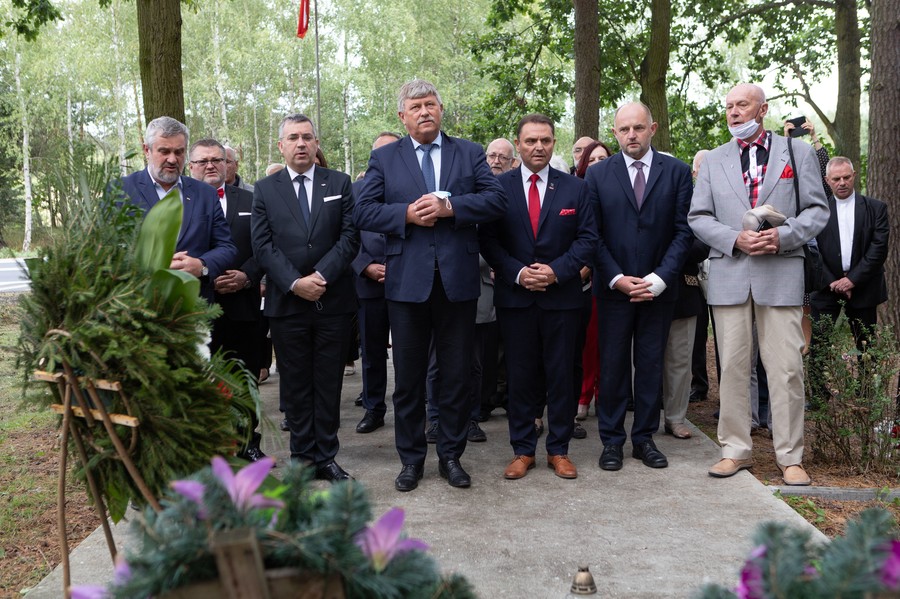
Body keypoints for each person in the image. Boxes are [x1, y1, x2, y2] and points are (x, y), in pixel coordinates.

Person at [354, 79, 506, 492]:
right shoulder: (385, 157)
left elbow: (496, 200)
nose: (425, 112)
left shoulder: (469, 152)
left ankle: (451, 456)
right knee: (408, 380)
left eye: (431, 104)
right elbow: (363, 211)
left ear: (441, 110)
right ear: (402, 116)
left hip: (458, 283)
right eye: (416, 106)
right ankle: (411, 460)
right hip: (407, 285)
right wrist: (405, 215)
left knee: (456, 376)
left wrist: (450, 206)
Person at [688, 83, 828, 486]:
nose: (733, 112)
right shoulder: (714, 160)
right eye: (729, 106)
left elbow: (817, 210)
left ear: (762, 109)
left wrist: (782, 237)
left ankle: (791, 457)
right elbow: (698, 217)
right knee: (732, 368)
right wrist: (735, 238)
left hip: (781, 272)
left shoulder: (797, 152)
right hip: (730, 274)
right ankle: (735, 450)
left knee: (786, 369)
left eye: (742, 105)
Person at [480, 113, 597, 480]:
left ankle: (559, 450)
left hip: (562, 298)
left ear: (553, 143)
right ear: (518, 145)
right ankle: (523, 450)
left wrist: (555, 271)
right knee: (520, 375)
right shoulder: (498, 189)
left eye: (545, 140)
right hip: (516, 298)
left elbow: (588, 239)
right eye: (530, 141)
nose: (538, 147)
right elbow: (488, 241)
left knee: (561, 375)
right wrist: (518, 273)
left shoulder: (576, 189)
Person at [251, 114, 359, 482]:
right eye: (293, 137)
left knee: (328, 383)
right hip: (287, 304)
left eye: (307, 137)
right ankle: (301, 459)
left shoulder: (339, 183)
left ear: (316, 144)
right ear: (281, 146)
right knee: (295, 385)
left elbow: (350, 237)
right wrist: (295, 283)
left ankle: (326, 456)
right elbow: (262, 245)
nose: (301, 143)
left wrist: (321, 276)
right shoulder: (265, 189)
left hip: (333, 301)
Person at [586, 102, 693, 472]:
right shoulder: (597, 175)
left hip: (657, 290)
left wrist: (659, 279)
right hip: (613, 291)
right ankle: (612, 441)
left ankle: (644, 440)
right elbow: (592, 234)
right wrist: (616, 278)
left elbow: (683, 231)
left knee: (650, 367)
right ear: (615, 133)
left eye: (638, 128)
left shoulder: (677, 172)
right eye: (624, 129)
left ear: (653, 128)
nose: (631, 135)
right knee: (613, 367)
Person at [188, 138, 266, 461]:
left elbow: (266, 246)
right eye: (202, 161)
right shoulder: (177, 201)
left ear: (227, 164)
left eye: (217, 160)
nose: (210, 165)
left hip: (243, 306)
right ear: (190, 167)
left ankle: (248, 442)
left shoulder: (252, 199)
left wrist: (246, 276)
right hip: (196, 308)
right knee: (199, 380)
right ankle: (206, 447)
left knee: (244, 379)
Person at [119, 116, 236, 303]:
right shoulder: (121, 190)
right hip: (138, 303)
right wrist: (154, 264)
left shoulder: (205, 193)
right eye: (164, 151)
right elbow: (108, 248)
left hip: (195, 305)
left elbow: (226, 247)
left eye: (179, 152)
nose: (172, 159)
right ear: (147, 150)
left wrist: (202, 266)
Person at [810, 157, 888, 351]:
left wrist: (852, 280)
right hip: (826, 287)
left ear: (854, 175)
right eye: (836, 179)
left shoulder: (876, 208)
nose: (842, 183)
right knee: (819, 348)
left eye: (846, 177)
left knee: (866, 349)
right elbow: (812, 249)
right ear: (827, 180)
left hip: (864, 286)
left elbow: (878, 248)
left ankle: (866, 375)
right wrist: (833, 282)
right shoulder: (817, 212)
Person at [352, 131, 402, 434]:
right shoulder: (355, 191)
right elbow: (345, 236)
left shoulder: (413, 187)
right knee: (371, 352)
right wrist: (365, 266)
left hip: (408, 282)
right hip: (369, 284)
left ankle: (417, 407)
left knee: (412, 351)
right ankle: (374, 409)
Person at [573, 140, 612, 429]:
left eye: (603, 158)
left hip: (611, 275)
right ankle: (583, 396)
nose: (598, 164)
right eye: (593, 159)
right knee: (586, 343)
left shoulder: (618, 188)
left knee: (607, 344)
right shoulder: (575, 190)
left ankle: (605, 397)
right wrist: (583, 270)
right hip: (582, 277)